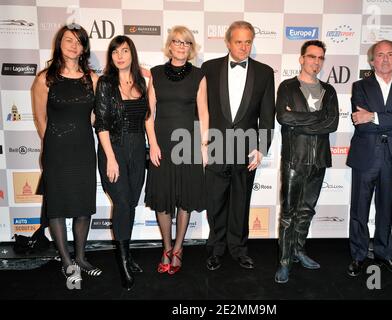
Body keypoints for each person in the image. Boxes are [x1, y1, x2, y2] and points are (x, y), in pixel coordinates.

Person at [202, 21, 275, 271]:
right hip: (216, 147)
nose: (244, 47)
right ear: (228, 42)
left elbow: (267, 116)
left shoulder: (265, 72)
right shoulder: (208, 68)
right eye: (238, 41)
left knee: (241, 203)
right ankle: (217, 248)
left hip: (247, 149)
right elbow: (200, 111)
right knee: (216, 202)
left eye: (248, 42)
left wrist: (262, 147)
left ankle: (239, 249)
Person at [31, 23, 100, 287]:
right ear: (60, 43)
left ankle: (81, 258)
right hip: (57, 151)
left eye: (79, 41)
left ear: (84, 47)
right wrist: (48, 149)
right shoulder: (44, 78)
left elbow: (94, 118)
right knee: (57, 207)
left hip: (83, 149)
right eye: (69, 40)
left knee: (84, 207)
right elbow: (40, 120)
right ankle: (67, 262)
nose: (73, 45)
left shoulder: (92, 79)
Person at [347, 40, 392, 277]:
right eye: (380, 55)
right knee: (359, 209)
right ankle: (357, 256)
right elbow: (360, 121)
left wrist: (374, 116)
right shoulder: (360, 86)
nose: (385, 59)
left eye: (390, 54)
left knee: (386, 208)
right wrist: (390, 121)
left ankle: (385, 254)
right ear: (372, 60)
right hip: (366, 155)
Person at [145, 26, 209, 275]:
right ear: (169, 45)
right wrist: (153, 144)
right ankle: (166, 248)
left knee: (185, 199)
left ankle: (179, 248)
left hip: (189, 145)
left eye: (186, 43)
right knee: (163, 199)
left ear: (191, 48)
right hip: (161, 145)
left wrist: (204, 147)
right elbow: (149, 115)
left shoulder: (199, 76)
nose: (182, 46)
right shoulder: (156, 74)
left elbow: (204, 114)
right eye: (177, 42)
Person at [274, 40, 339, 283]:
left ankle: (299, 250)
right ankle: (284, 260)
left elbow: (332, 124)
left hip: (319, 159)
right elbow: (283, 116)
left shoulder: (329, 91)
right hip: (295, 158)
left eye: (321, 58)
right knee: (289, 213)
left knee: (307, 210)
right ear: (302, 59)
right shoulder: (287, 87)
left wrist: (300, 120)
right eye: (312, 56)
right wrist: (317, 118)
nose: (316, 62)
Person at [94, 35, 147, 290]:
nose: (120, 56)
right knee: (123, 203)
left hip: (138, 149)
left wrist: (153, 146)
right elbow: (101, 124)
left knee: (132, 202)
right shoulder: (105, 83)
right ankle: (123, 262)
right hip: (113, 148)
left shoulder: (140, 81)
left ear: (131, 54)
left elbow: (147, 117)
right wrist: (111, 159)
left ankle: (128, 253)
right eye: (115, 52)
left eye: (124, 51)